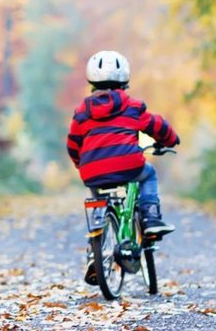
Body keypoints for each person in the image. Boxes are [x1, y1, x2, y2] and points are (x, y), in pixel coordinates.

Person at [66, 50, 179, 284]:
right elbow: (156, 126)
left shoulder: (81, 113)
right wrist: (170, 139)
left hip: (92, 171)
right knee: (148, 175)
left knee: (97, 203)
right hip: (129, 164)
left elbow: (73, 144)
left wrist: (82, 164)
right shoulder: (132, 106)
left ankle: (93, 255)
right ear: (125, 81)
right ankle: (150, 219)